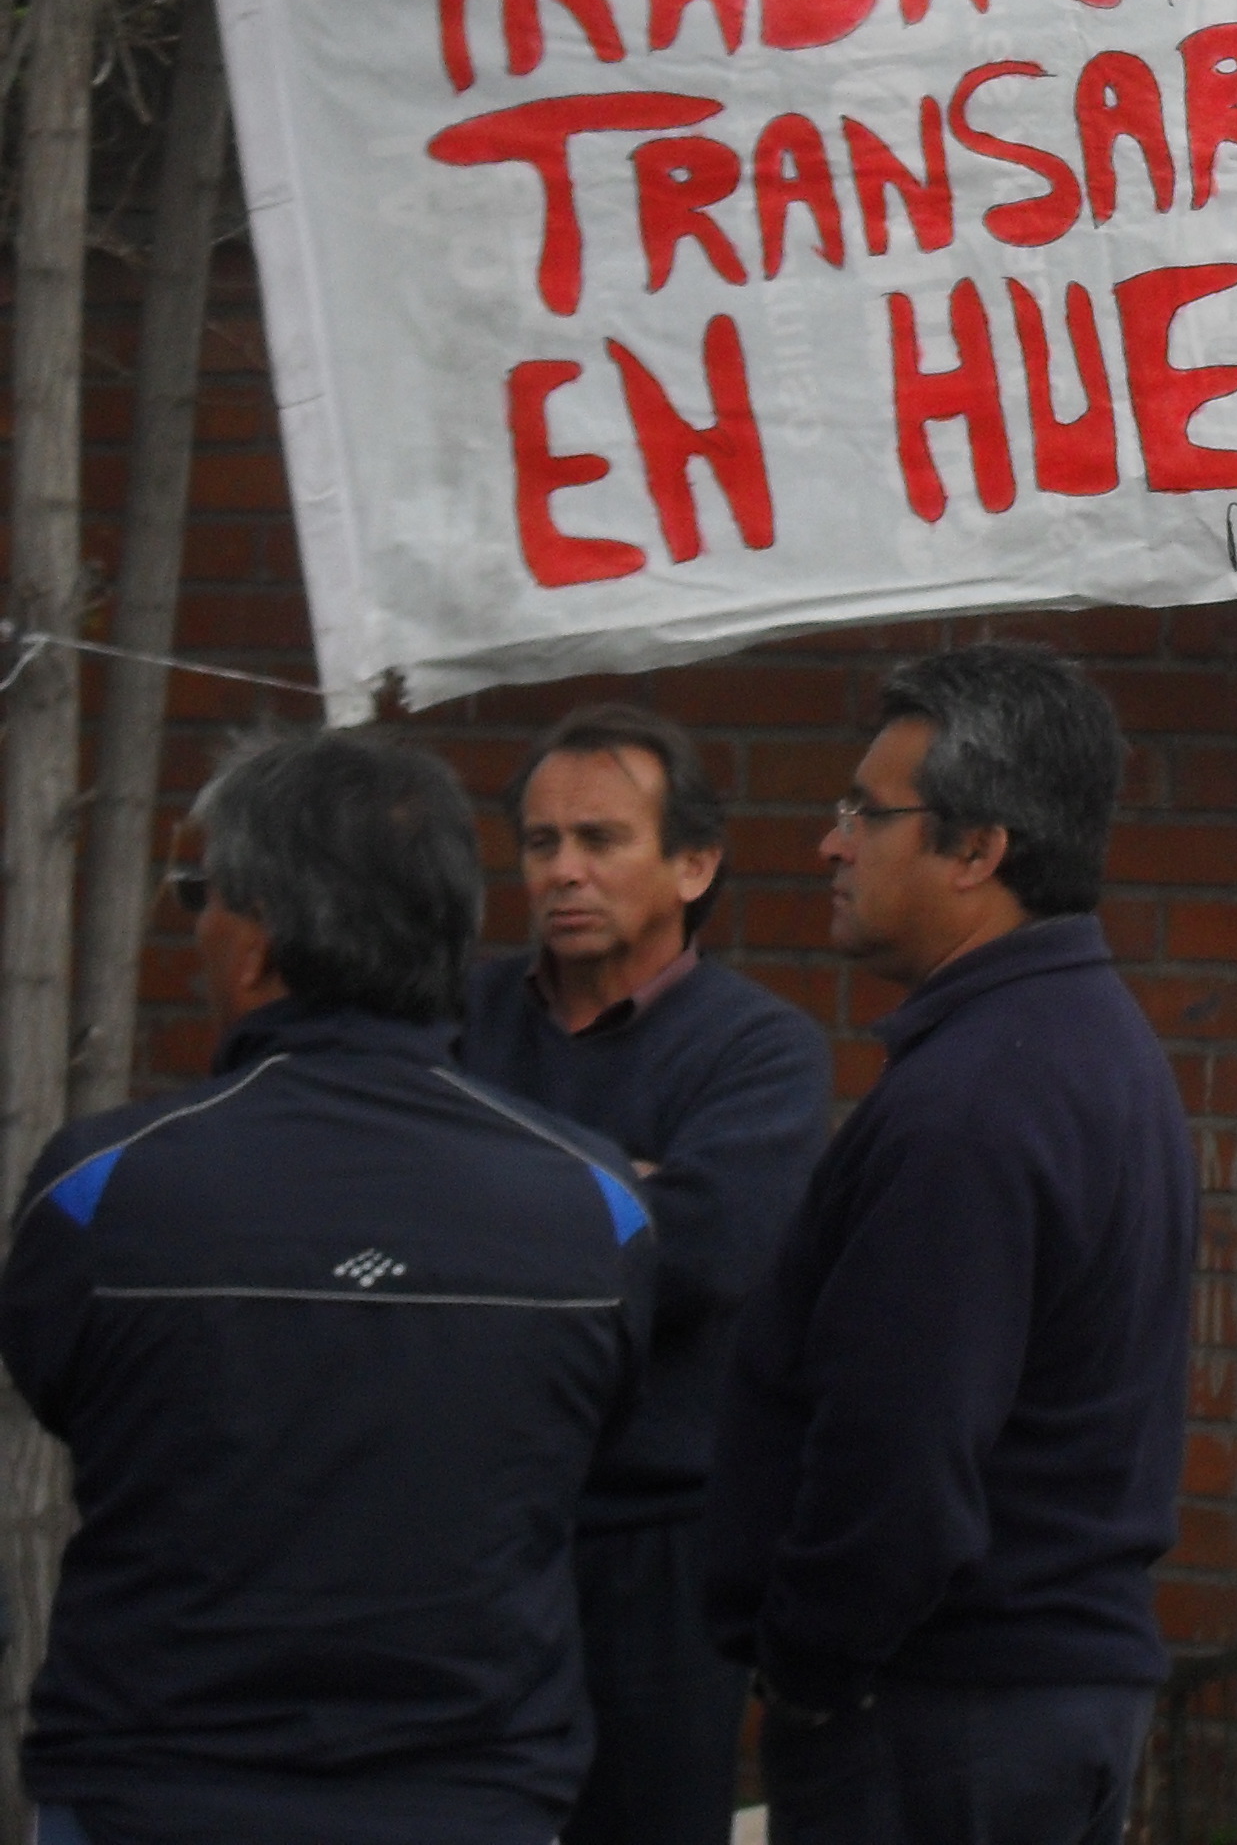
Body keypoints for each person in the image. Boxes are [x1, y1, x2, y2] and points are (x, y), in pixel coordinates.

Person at [1, 729, 657, 1845]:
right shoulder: (598, 1204)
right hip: (472, 1796)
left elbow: (63, 1389)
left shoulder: (103, 1188)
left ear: (254, 944)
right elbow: (598, 1426)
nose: (197, 924)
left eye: (200, 895)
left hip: (156, 1790)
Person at [704, 642, 1196, 1845]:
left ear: (979, 851)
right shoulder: (1092, 1045)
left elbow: (903, 1451)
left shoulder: (973, 1105)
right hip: (1035, 1701)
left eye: (867, 814)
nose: (832, 842)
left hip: (945, 1713)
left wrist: (808, 1668)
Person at [463, 700, 832, 1845]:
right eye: (540, 844)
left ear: (693, 864)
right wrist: (617, 1184)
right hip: (468, 1530)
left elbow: (705, 1253)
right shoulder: (453, 1013)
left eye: (601, 840)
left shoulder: (761, 1050)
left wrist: (486, 1192)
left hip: (661, 1549)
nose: (563, 872)